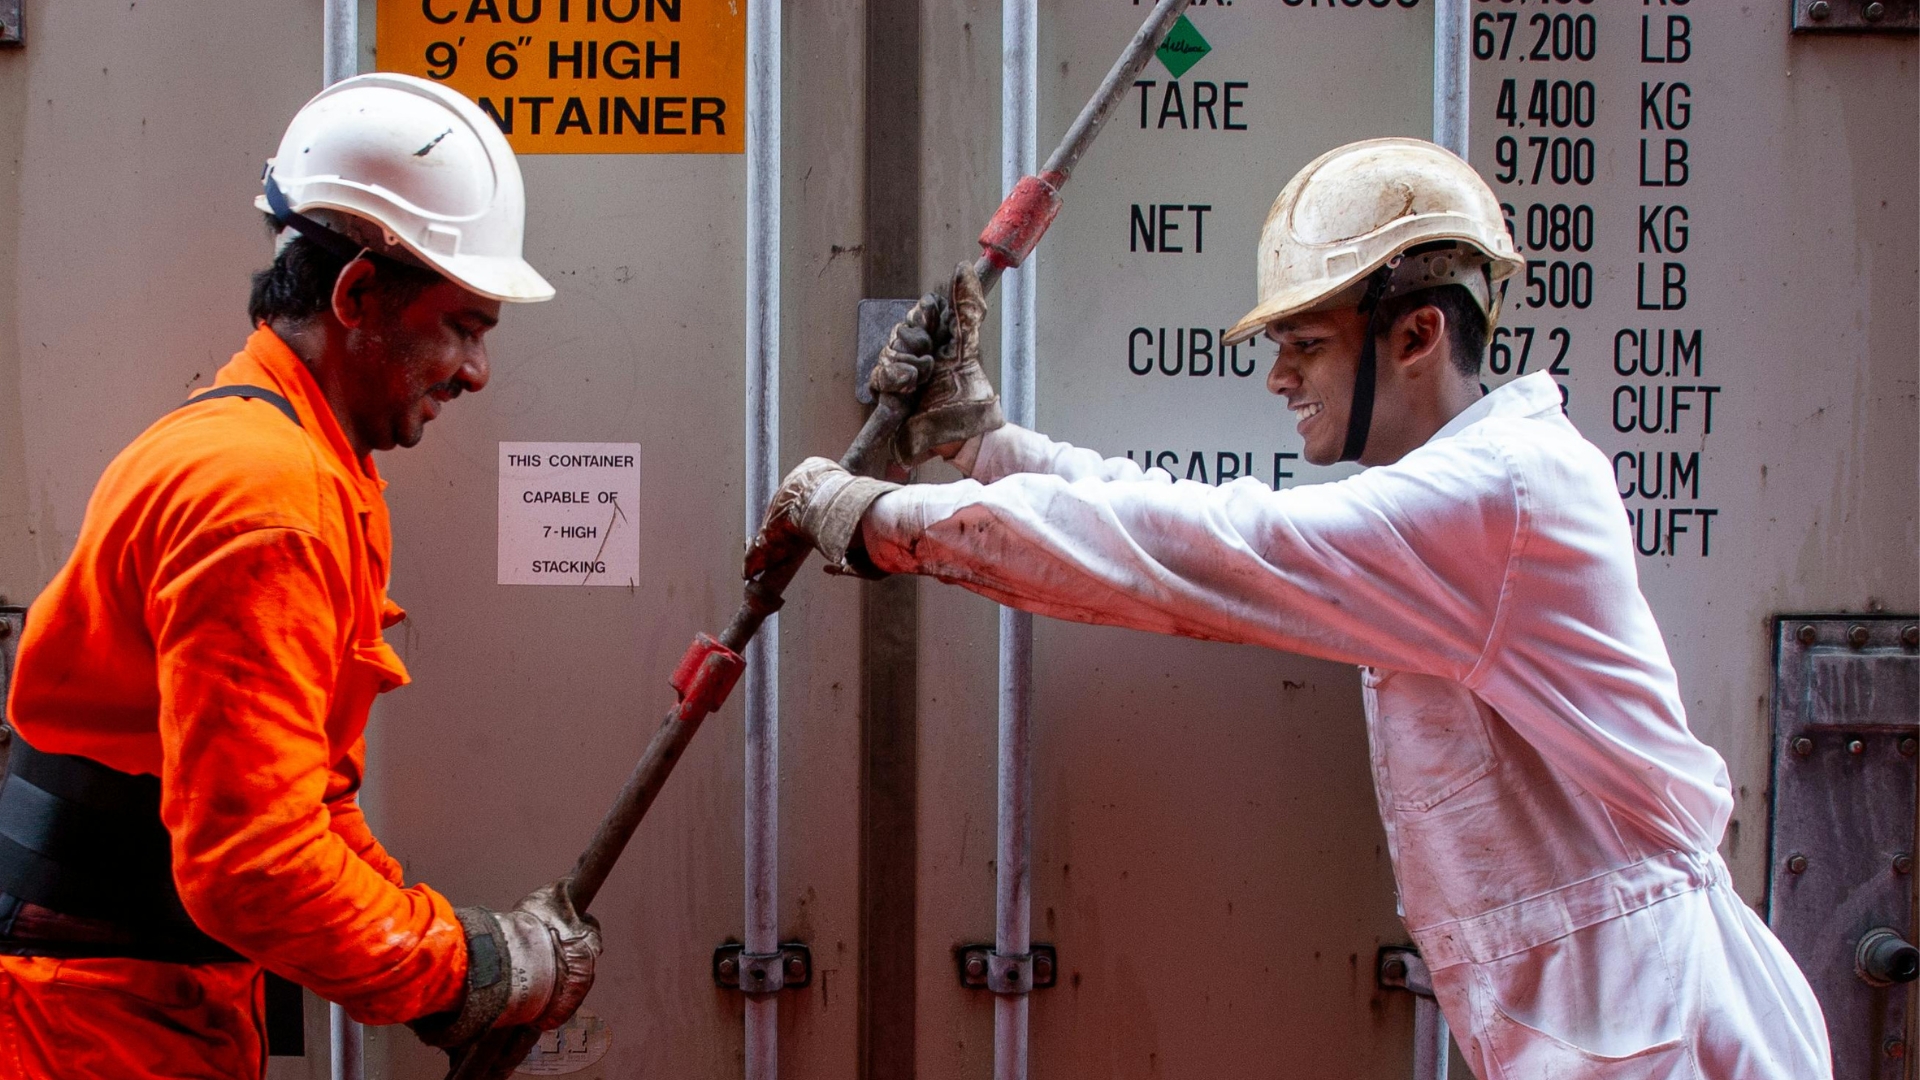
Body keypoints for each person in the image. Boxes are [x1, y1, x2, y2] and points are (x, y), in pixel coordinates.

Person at [750, 138, 1832, 1078]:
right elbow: (1188, 521)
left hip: (1662, 1029)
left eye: (1305, 344)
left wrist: (882, 518)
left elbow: (1216, 554)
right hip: (1622, 1012)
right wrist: (981, 447)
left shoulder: (1498, 494)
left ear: (1416, 337)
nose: (1277, 378)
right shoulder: (1474, 489)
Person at [0, 74, 597, 1078]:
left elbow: (304, 798)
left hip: (143, 1001)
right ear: (355, 296)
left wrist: (439, 944)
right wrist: (462, 968)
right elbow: (255, 868)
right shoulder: (265, 492)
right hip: (92, 1028)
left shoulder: (298, 460)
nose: (475, 371)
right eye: (463, 326)